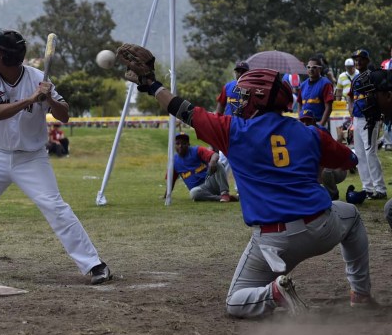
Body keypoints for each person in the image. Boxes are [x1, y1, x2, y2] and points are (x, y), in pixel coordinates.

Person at [116, 43, 373, 318]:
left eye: (243, 96)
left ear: (258, 99)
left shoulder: (234, 130)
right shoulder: (309, 133)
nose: (237, 100)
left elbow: (183, 109)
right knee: (352, 216)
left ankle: (273, 293)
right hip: (322, 225)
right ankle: (360, 294)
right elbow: (350, 161)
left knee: (236, 302)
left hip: (275, 240)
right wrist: (321, 166)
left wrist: (153, 85)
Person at [0, 28, 111, 285]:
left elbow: (65, 115)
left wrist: (50, 98)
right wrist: (30, 99)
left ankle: (95, 265)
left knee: (56, 208)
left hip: (32, 158)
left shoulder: (38, 79)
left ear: (9, 57)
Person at [348, 49, 387, 200]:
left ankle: (380, 188)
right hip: (357, 119)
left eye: (361, 59)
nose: (358, 61)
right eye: (356, 59)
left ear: (367, 60)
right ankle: (368, 188)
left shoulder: (373, 76)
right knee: (360, 154)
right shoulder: (356, 78)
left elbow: (382, 96)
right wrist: (350, 109)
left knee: (370, 152)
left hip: (369, 118)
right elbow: (350, 96)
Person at [166, 132, 237, 202]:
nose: (180, 146)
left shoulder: (197, 150)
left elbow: (215, 155)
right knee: (193, 193)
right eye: (178, 143)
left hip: (211, 181)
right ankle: (220, 198)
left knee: (218, 164)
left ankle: (225, 193)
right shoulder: (174, 161)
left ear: (188, 144)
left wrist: (212, 161)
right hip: (199, 189)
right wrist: (167, 195)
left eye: (184, 143)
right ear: (174, 145)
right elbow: (170, 180)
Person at [299, 109, 347, 201]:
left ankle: (333, 195)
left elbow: (330, 155)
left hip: (336, 168)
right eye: (303, 121)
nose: (305, 124)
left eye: (308, 120)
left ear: (313, 120)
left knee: (325, 172)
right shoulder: (301, 133)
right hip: (321, 167)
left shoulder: (321, 132)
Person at [298, 56, 334, 128]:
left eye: (314, 67)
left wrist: (321, 124)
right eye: (308, 67)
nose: (311, 69)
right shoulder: (303, 85)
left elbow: (328, 107)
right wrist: (300, 120)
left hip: (318, 122)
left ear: (320, 69)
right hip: (305, 123)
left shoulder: (325, 84)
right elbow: (299, 104)